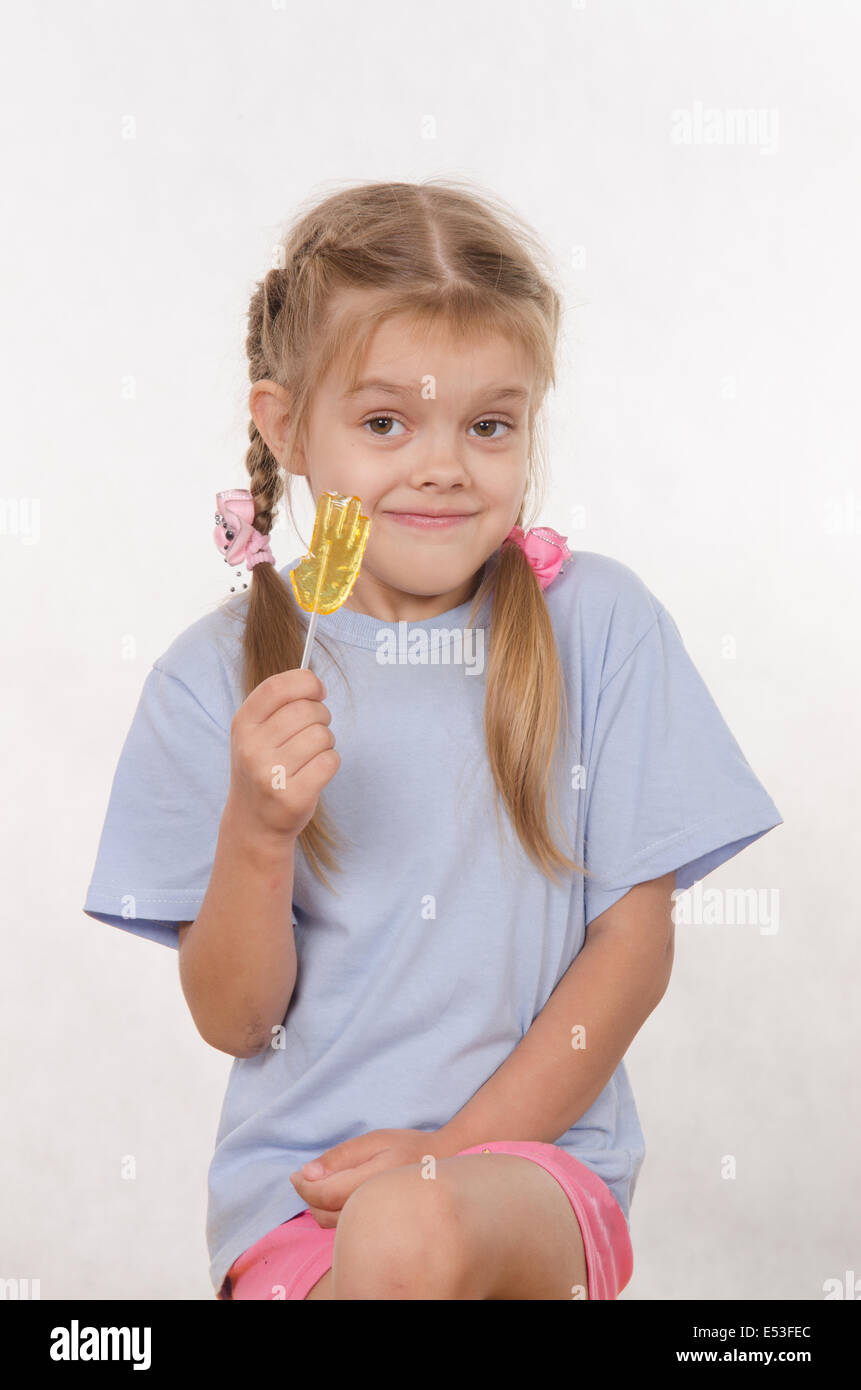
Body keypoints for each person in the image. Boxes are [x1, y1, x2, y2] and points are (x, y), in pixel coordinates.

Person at [83, 178, 783, 1301]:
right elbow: (234, 1016)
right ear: (285, 426)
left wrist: (437, 1156)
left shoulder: (596, 627)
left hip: (532, 1173)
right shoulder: (212, 678)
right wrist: (259, 836)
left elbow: (633, 951)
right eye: (384, 423)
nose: (443, 465)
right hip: (296, 1198)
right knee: (382, 1242)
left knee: (407, 1230)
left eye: (489, 425)